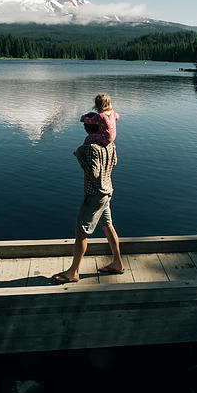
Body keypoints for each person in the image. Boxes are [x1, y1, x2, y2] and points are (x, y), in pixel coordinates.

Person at [52, 120, 123, 283]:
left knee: (81, 232)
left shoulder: (91, 147)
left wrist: (79, 157)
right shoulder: (110, 143)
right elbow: (114, 162)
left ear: (87, 129)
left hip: (94, 195)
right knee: (107, 226)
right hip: (107, 192)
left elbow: (93, 173)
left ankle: (73, 272)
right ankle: (117, 264)